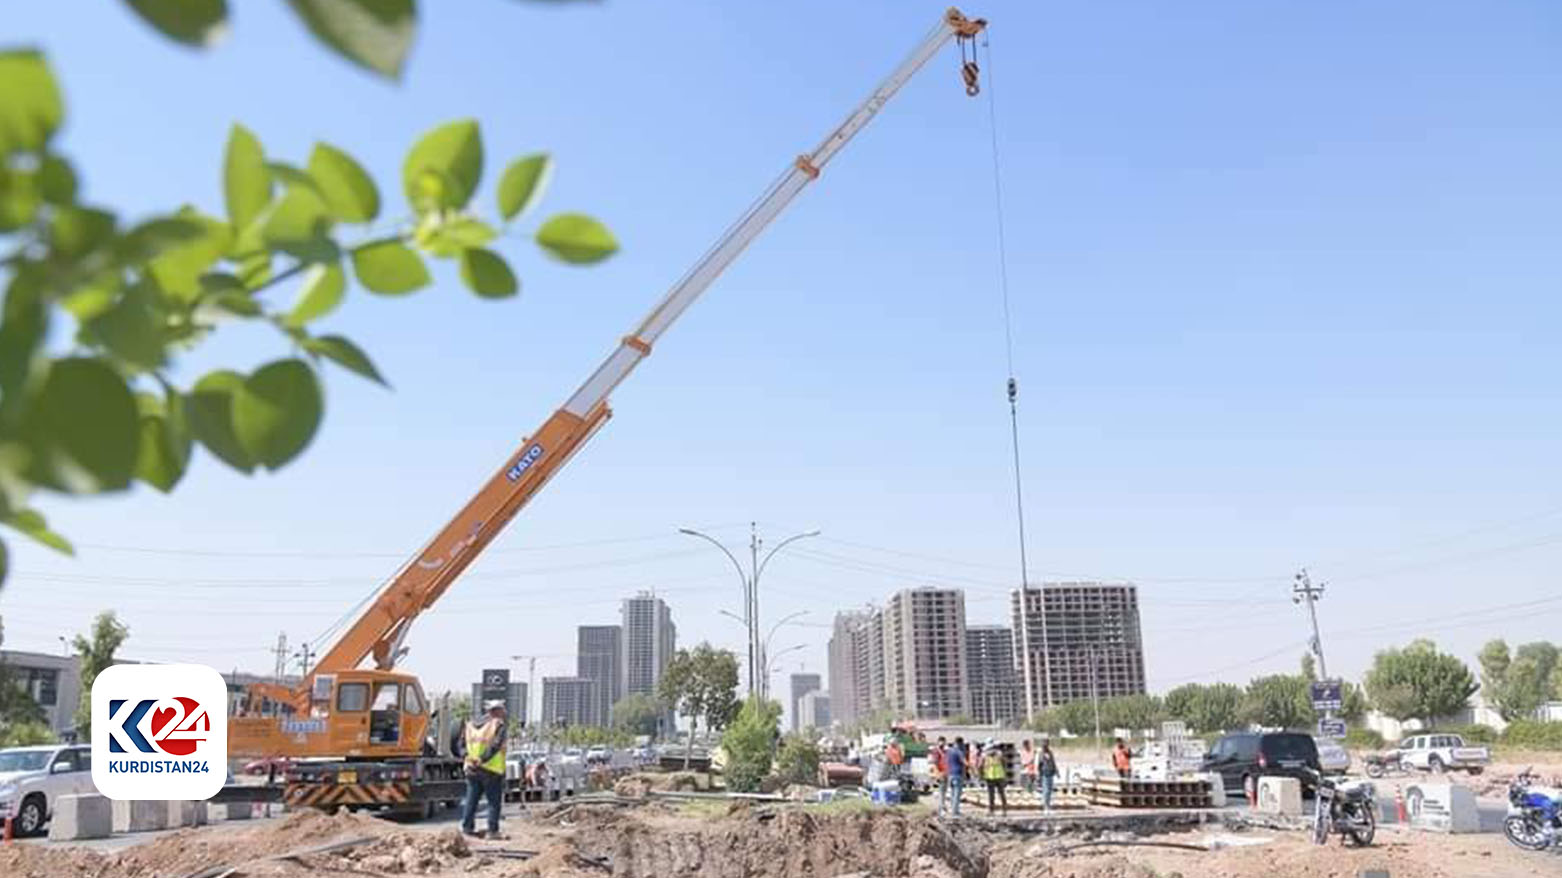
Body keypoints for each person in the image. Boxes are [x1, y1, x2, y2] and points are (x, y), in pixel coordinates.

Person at [461, 699, 508, 839]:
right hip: (491, 769)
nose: (504, 712)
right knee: (493, 802)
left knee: (471, 800)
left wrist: (469, 758)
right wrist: (482, 759)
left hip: (472, 768)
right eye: (502, 709)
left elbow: (459, 745)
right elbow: (495, 745)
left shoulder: (470, 725)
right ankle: (492, 831)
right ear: (496, 711)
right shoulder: (498, 725)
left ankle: (467, 829)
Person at [982, 739, 1008, 817]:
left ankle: (1000, 810)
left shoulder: (998, 755)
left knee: (998, 794)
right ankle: (995, 810)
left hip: (996, 777)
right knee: (994, 795)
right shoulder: (987, 755)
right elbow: (981, 765)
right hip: (992, 777)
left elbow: (1004, 764)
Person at [944, 736, 966, 817]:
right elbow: (964, 762)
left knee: (952, 793)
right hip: (958, 774)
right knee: (957, 793)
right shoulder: (959, 752)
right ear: (960, 743)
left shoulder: (949, 751)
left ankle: (952, 810)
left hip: (950, 774)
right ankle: (955, 812)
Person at [1038, 741, 1059, 813]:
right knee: (1046, 791)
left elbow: (1053, 762)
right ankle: (1045, 807)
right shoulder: (1041, 753)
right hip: (1045, 773)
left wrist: (1056, 772)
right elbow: (1039, 764)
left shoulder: (1050, 753)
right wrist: (1039, 774)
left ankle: (1048, 806)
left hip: (1051, 773)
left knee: (1049, 791)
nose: (1045, 746)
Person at [930, 737, 949, 816]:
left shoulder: (945, 751)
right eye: (941, 742)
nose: (942, 744)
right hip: (940, 772)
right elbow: (935, 763)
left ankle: (943, 804)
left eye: (943, 742)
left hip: (945, 772)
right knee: (941, 789)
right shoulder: (936, 751)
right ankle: (941, 806)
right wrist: (938, 773)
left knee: (944, 789)